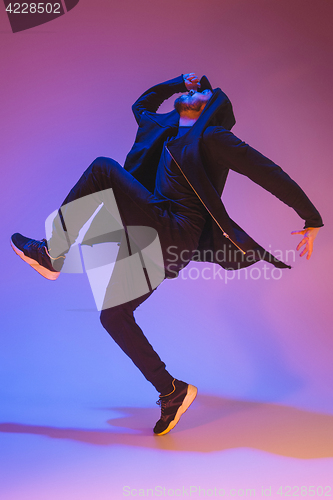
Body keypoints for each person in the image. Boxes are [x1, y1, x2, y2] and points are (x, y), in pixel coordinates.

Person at [10, 73, 323, 436]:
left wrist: (312, 217)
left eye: (201, 89)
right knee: (114, 316)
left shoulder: (212, 137)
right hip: (161, 242)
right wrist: (177, 81)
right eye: (189, 90)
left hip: (174, 230)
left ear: (212, 104)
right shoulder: (167, 130)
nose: (192, 91)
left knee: (101, 169)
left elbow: (266, 171)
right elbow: (140, 105)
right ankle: (171, 391)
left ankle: (53, 253)